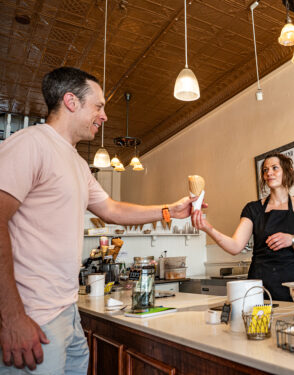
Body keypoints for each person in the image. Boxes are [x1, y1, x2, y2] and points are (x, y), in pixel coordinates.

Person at [0, 67, 202, 374]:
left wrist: (170, 211)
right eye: (98, 106)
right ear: (71, 101)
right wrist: (11, 317)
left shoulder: (78, 165)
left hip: (67, 313)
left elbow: (112, 209)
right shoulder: (31, 143)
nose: (104, 115)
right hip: (33, 316)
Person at [192, 152, 294, 301]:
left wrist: (293, 240)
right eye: (265, 170)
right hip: (261, 285)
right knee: (261, 324)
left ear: (288, 171)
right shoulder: (253, 209)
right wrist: (208, 228)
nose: (269, 173)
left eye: (274, 168)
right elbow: (235, 246)